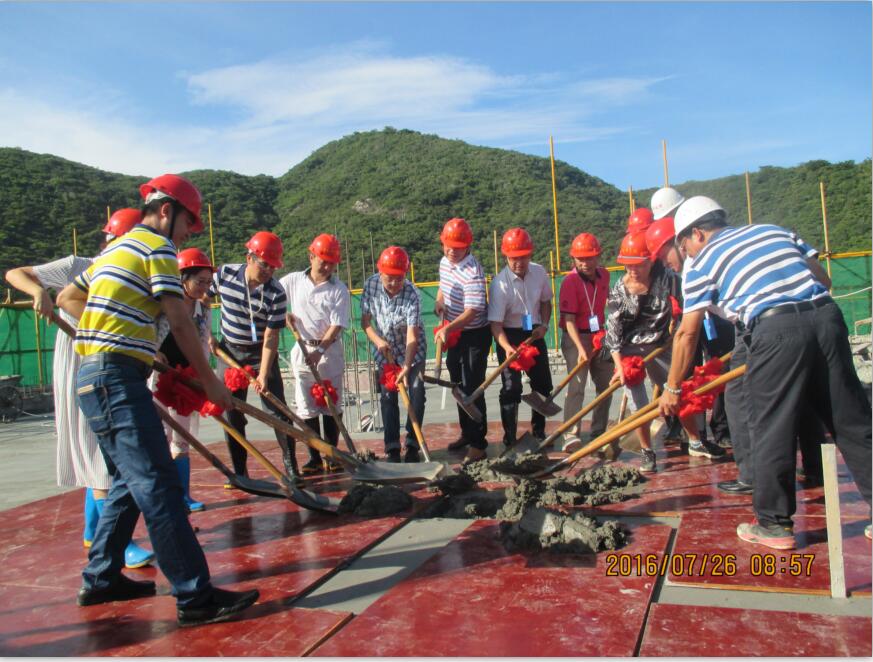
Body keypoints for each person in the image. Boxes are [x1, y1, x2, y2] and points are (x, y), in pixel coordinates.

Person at [56, 174, 258, 626]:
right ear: (166, 211)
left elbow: (68, 296)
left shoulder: (114, 252)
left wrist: (109, 332)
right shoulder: (156, 247)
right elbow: (179, 320)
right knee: (159, 484)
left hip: (95, 377)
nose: (187, 234)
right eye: (187, 223)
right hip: (116, 377)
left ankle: (101, 578)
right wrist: (211, 383)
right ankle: (195, 597)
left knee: (129, 482)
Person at [659, 195, 871, 549]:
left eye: (683, 246)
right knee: (852, 419)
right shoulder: (773, 230)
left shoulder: (701, 262)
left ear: (696, 234)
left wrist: (672, 388)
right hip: (826, 318)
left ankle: (774, 524)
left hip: (775, 330)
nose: (686, 253)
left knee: (771, 426)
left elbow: (687, 334)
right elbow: (823, 280)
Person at [5, 208, 155, 569]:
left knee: (103, 446)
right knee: (99, 447)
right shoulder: (78, 267)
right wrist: (38, 291)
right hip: (79, 361)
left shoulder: (135, 277)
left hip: (116, 363)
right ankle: (119, 543)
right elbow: (15, 273)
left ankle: (93, 530)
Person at [605, 231, 724, 473]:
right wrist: (619, 367)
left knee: (675, 391)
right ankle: (647, 452)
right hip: (630, 350)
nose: (633, 270)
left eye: (638, 264)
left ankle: (695, 441)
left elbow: (688, 305)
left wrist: (677, 326)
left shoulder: (668, 279)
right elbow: (613, 332)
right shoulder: (619, 290)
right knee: (639, 405)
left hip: (661, 345)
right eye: (628, 265)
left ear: (650, 261)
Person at [209, 231, 299, 483]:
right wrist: (206, 334)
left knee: (277, 410)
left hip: (261, 352)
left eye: (273, 266)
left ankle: (291, 467)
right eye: (264, 264)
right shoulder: (224, 275)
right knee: (232, 411)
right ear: (249, 258)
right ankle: (240, 471)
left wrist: (263, 374)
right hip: (229, 351)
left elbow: (271, 337)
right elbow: (201, 300)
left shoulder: (276, 292)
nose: (268, 270)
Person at [279, 233, 350, 474]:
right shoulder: (293, 281)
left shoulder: (338, 289)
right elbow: (274, 298)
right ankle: (315, 457)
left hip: (328, 351)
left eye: (332, 263)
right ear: (311, 257)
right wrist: (283, 314)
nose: (327, 267)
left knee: (331, 402)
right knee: (306, 406)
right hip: (302, 348)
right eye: (323, 261)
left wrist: (320, 350)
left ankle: (332, 454)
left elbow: (337, 324)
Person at [153, 247, 216, 511]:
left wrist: (204, 378)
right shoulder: (162, 305)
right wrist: (154, 352)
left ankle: (183, 497)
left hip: (185, 379)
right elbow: (146, 333)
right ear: (182, 278)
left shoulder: (203, 309)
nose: (204, 288)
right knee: (159, 438)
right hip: (158, 377)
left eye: (208, 283)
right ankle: (162, 499)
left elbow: (202, 345)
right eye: (200, 281)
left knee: (182, 437)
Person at [361, 246, 427, 463]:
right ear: (380, 272)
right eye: (389, 278)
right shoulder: (370, 285)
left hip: (412, 351)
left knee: (416, 391)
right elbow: (365, 323)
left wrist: (406, 367)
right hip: (385, 349)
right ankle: (392, 447)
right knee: (388, 396)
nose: (394, 283)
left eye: (399, 278)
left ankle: (413, 443)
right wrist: (378, 341)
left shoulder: (412, 294)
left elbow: (412, 336)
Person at [488, 228, 553, 447]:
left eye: (523, 257)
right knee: (511, 387)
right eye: (513, 258)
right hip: (508, 335)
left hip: (534, 331)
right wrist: (507, 347)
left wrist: (544, 325)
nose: (519, 262)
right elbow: (495, 324)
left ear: (530, 254)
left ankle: (539, 431)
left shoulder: (539, 272)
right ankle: (510, 437)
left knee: (543, 384)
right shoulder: (499, 284)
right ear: (506, 256)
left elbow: (546, 302)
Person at [434, 218, 491, 462]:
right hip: (455, 332)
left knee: (472, 388)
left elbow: (472, 312)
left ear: (468, 245)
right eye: (448, 246)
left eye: (457, 247)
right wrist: (439, 301)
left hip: (474, 334)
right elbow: (442, 286)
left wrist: (448, 329)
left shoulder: (473, 272)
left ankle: (478, 444)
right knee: (457, 385)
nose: (452, 251)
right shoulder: (444, 262)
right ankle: (467, 434)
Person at [557, 232, 614, 454]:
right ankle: (570, 434)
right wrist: (581, 349)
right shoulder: (569, 282)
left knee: (606, 385)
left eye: (589, 258)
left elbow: (606, 303)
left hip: (599, 335)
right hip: (576, 337)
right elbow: (569, 321)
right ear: (573, 259)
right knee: (576, 386)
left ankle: (598, 430)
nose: (585, 263)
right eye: (580, 259)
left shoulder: (605, 276)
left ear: (598, 257)